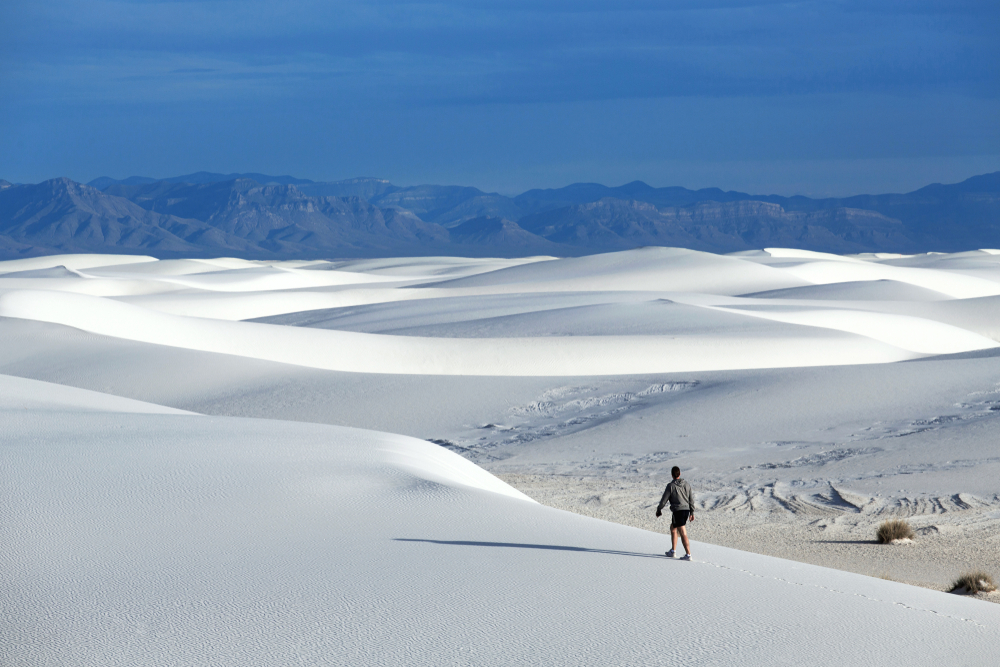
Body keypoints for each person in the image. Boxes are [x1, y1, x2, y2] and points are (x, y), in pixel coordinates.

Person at [655, 466, 695, 560]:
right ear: (679, 474)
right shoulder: (687, 484)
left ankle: (688, 554)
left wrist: (659, 509)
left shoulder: (671, 486)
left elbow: (664, 500)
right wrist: (692, 512)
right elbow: (691, 499)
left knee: (682, 532)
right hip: (686, 510)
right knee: (673, 528)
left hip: (678, 511)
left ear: (672, 475)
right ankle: (673, 551)